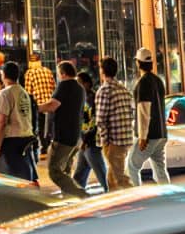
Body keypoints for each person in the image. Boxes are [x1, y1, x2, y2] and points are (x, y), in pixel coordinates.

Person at [39, 61, 86, 197]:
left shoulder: (64, 85)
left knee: (54, 170)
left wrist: (36, 108)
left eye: (58, 73)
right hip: (76, 135)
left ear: (63, 73)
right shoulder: (80, 88)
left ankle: (79, 193)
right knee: (66, 169)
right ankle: (70, 197)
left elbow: (53, 105)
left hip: (64, 136)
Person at [93, 56, 135, 192]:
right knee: (113, 177)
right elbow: (131, 112)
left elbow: (100, 119)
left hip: (113, 140)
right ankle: (117, 204)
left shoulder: (104, 90)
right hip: (125, 137)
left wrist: (104, 140)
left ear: (102, 71)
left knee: (119, 177)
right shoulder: (124, 89)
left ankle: (135, 200)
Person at [129, 51, 170, 185]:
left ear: (138, 63)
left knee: (131, 166)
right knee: (159, 168)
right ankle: (167, 195)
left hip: (150, 135)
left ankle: (136, 197)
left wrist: (142, 136)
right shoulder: (158, 81)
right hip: (161, 133)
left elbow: (143, 111)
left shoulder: (143, 82)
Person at [75, 60, 108, 193]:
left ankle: (110, 191)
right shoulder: (83, 99)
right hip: (86, 142)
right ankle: (75, 193)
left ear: (87, 84)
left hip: (91, 142)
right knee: (80, 172)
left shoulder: (92, 99)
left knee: (100, 172)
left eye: (80, 83)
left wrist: (86, 140)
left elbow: (94, 122)